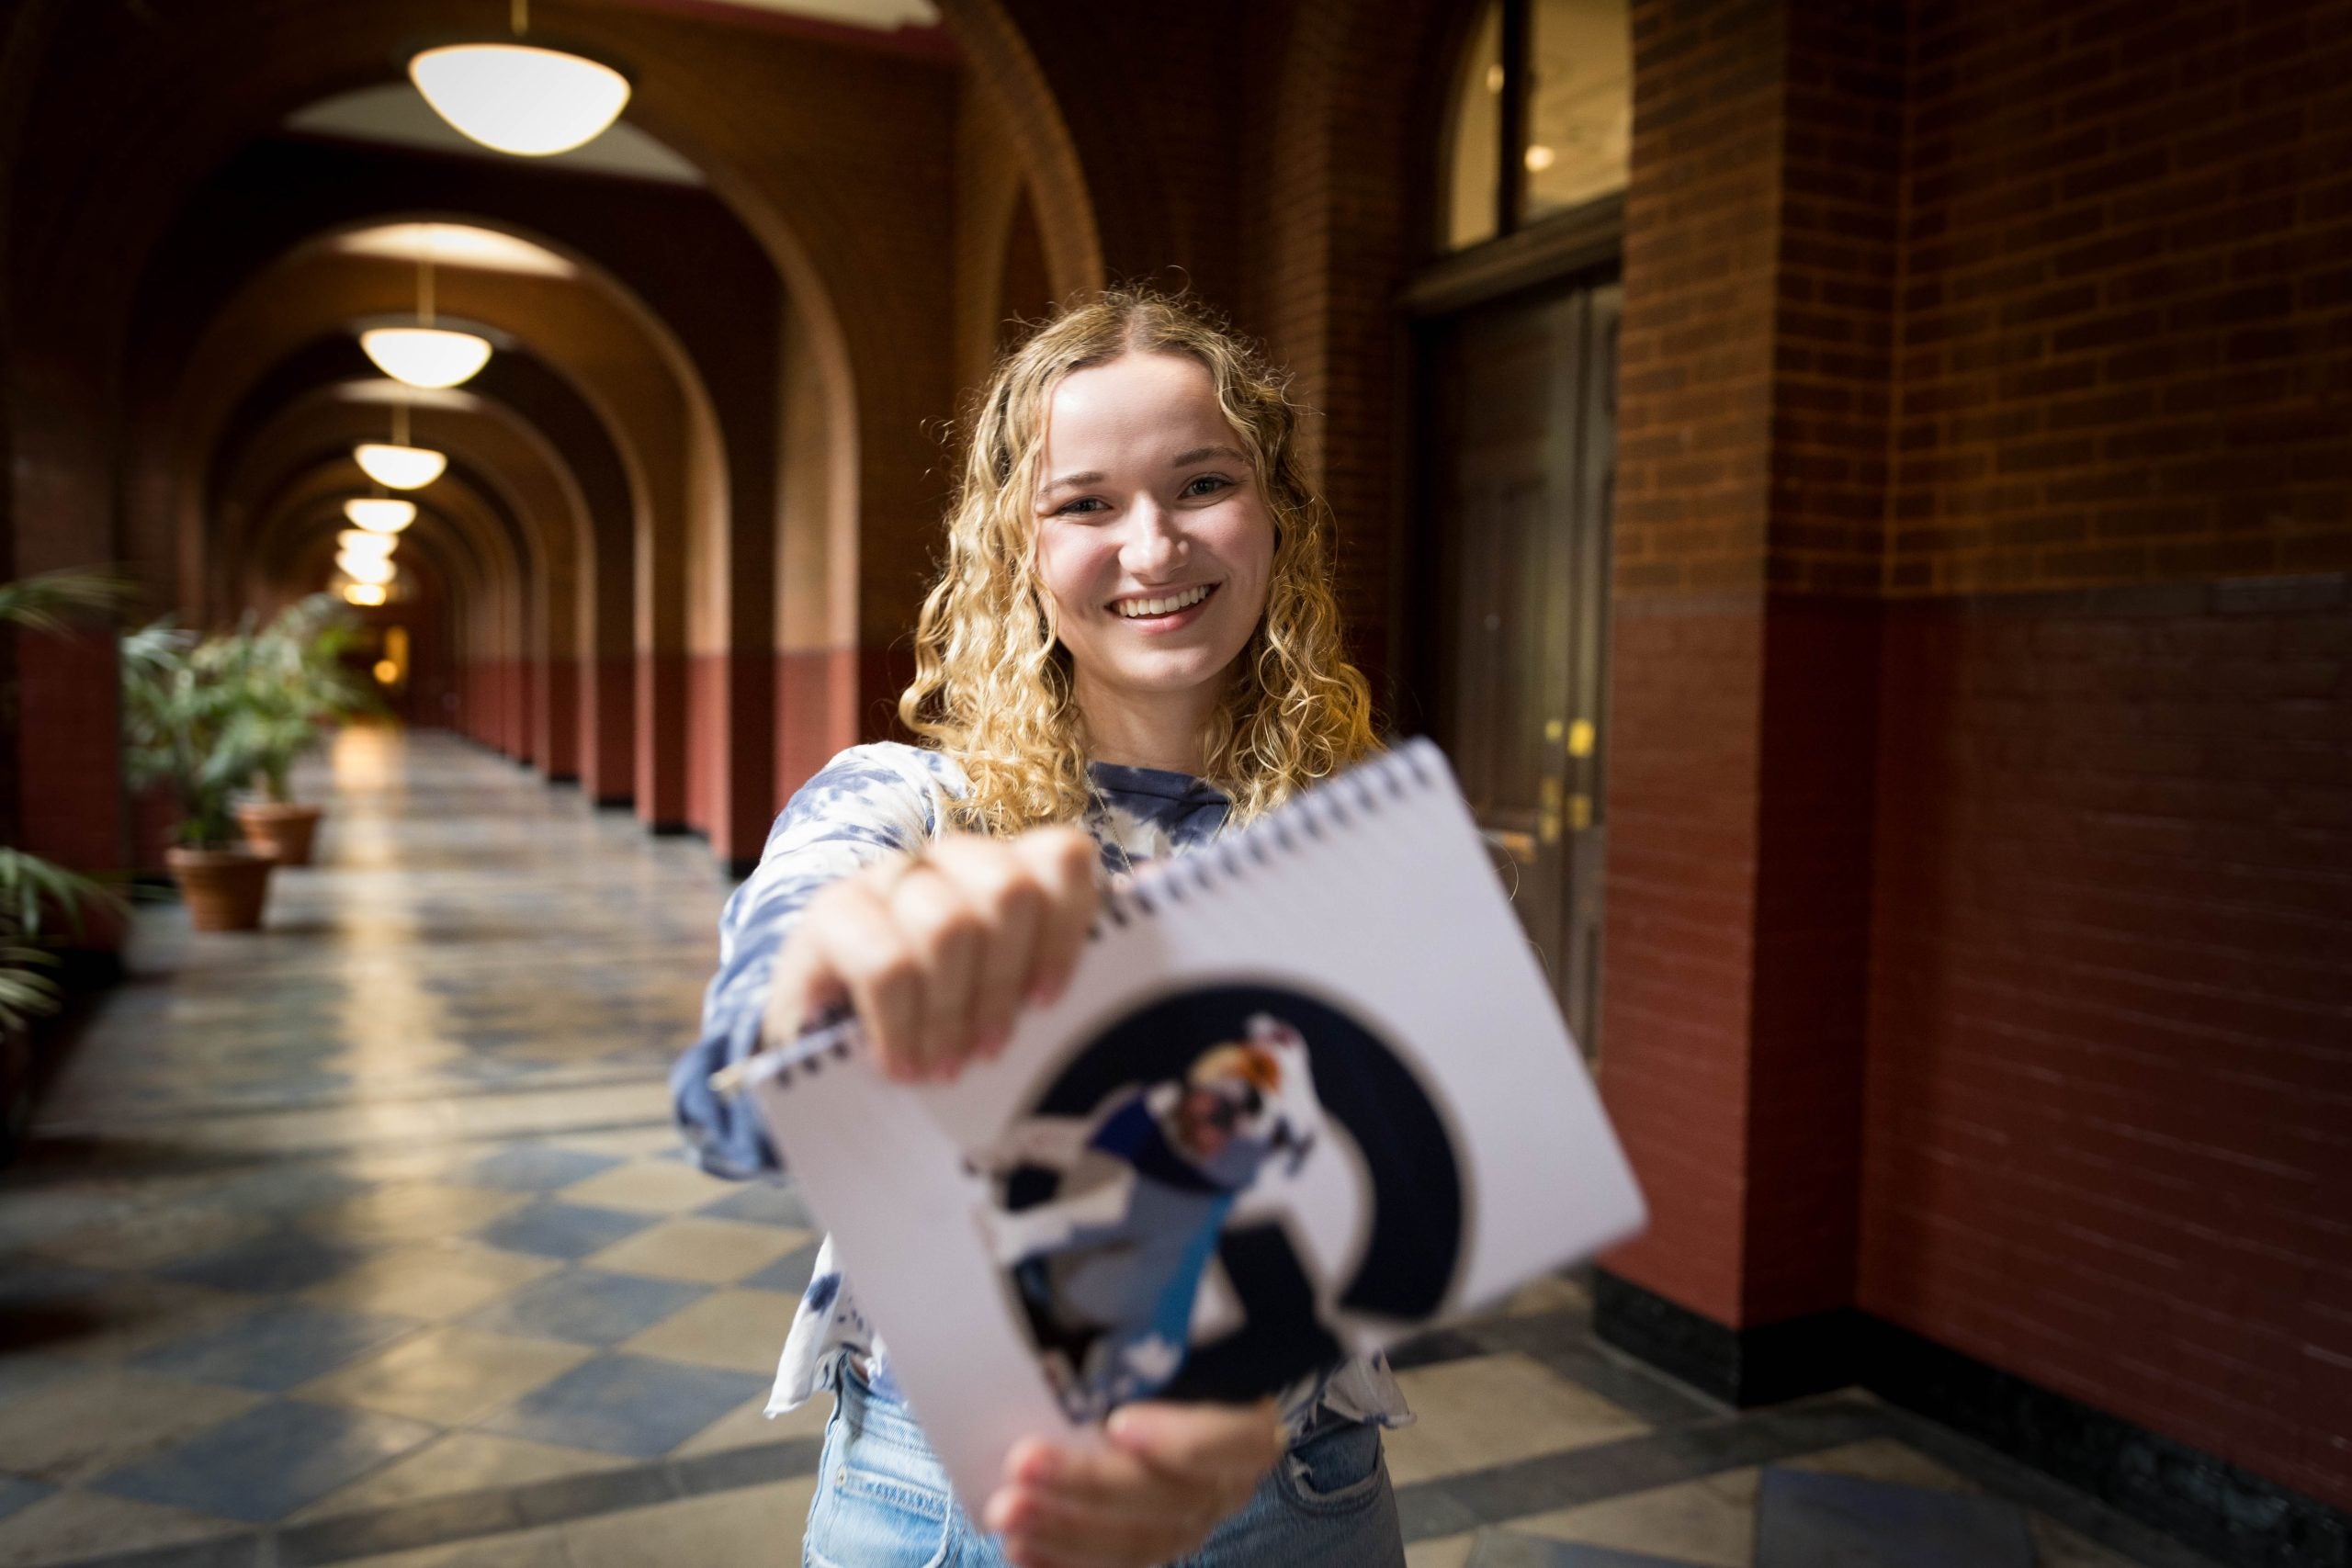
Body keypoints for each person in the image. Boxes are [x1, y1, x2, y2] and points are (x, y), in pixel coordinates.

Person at [672, 289, 1408, 1568]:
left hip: (1297, 1487)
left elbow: (1393, 1166)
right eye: (1085, 503)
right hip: (944, 1493)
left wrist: (1251, 1342)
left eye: (1201, 483)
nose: (1153, 543)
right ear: (1018, 547)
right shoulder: (909, 801)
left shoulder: (1354, 832)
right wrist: (823, 989)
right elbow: (742, 1071)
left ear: (1275, 514)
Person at [970, 1015, 1326, 1423]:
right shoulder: (1162, 1110)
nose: (1211, 1108)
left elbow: (1104, 1212)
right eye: (1221, 1085)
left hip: (1107, 1311)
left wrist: (1015, 1234)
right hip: (1055, 1285)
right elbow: (1095, 1146)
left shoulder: (1191, 1190)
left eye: (1229, 1115)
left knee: (1143, 1358)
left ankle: (1090, 1396)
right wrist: (1009, 1148)